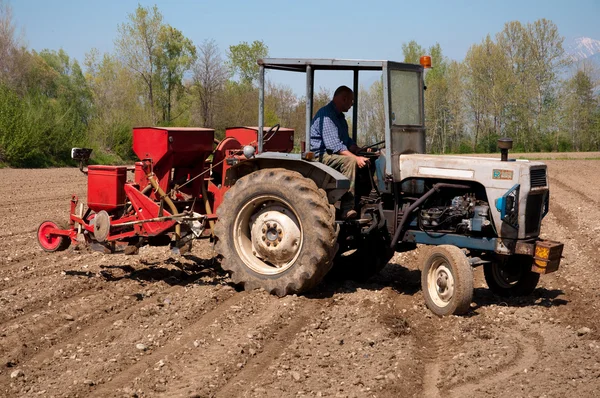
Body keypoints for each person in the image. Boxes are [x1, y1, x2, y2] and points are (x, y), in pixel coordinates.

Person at [310, 86, 369, 219]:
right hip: (321, 155)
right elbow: (335, 146)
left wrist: (359, 150)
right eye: (351, 101)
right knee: (351, 161)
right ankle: (347, 208)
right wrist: (356, 157)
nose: (352, 104)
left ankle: (364, 200)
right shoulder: (327, 115)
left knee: (366, 158)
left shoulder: (340, 118)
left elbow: (346, 141)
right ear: (344, 99)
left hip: (333, 154)